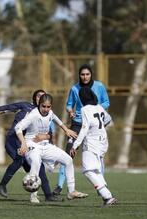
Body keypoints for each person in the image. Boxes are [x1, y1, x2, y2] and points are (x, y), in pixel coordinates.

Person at [0, 90, 62, 203]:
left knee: (39, 167)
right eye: (38, 96)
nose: (40, 98)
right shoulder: (24, 106)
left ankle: (48, 195)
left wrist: (46, 138)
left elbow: (49, 134)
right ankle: (2, 185)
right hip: (13, 140)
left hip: (28, 143)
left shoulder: (44, 115)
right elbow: (5, 107)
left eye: (43, 96)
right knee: (20, 159)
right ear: (35, 98)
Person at [15, 93, 88, 200]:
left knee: (68, 160)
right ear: (39, 105)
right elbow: (18, 128)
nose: (46, 109)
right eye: (43, 106)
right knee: (36, 162)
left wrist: (66, 129)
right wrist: (23, 143)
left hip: (45, 145)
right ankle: (33, 196)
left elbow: (55, 118)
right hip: (31, 145)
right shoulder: (33, 115)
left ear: (51, 106)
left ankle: (71, 191)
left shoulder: (50, 113)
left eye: (48, 107)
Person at [53, 63, 110, 195]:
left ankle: (101, 185)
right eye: (82, 74)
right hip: (77, 124)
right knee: (67, 155)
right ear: (79, 75)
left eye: (87, 74)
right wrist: (70, 112)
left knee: (98, 157)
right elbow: (69, 105)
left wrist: (95, 109)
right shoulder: (74, 89)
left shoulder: (99, 86)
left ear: (91, 75)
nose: (85, 77)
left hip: (93, 126)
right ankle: (60, 186)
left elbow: (107, 102)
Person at [70, 87, 117, 207]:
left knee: (88, 171)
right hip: (103, 141)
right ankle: (107, 194)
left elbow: (84, 128)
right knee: (96, 170)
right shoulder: (99, 106)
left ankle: (107, 196)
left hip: (92, 142)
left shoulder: (85, 109)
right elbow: (108, 119)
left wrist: (75, 146)